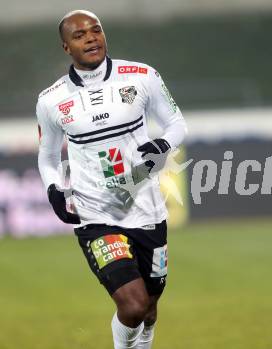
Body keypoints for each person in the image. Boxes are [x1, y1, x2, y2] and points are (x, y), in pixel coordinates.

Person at [36, 10, 187, 349]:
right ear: (66, 47)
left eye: (96, 30)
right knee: (131, 306)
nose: (90, 38)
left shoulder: (142, 76)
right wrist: (53, 189)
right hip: (97, 216)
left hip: (147, 210)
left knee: (148, 310)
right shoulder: (50, 100)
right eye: (80, 35)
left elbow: (178, 124)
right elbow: (47, 157)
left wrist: (163, 143)